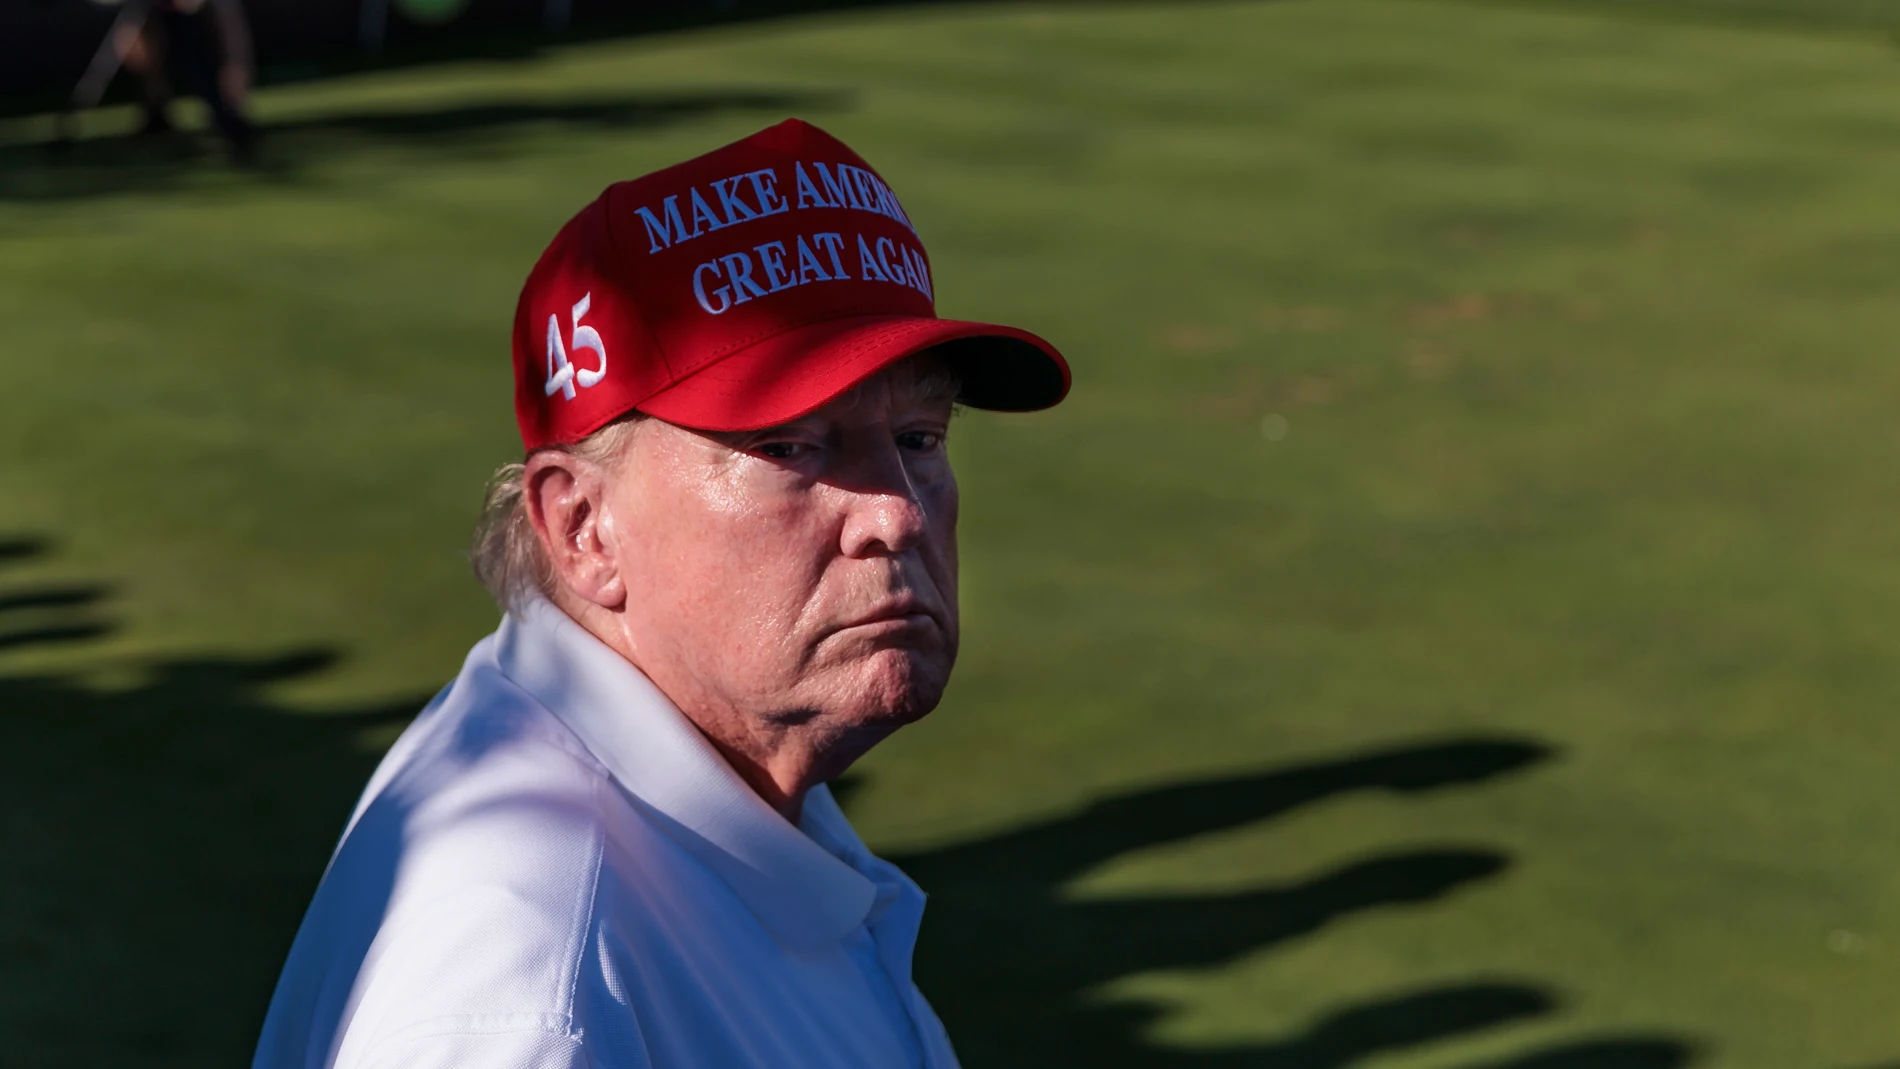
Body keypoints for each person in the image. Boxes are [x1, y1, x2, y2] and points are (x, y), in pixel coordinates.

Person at [251, 118, 1070, 1069]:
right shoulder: (531, 986)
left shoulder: (700, 790)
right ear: (584, 527)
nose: (895, 513)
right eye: (789, 447)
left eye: (921, 438)